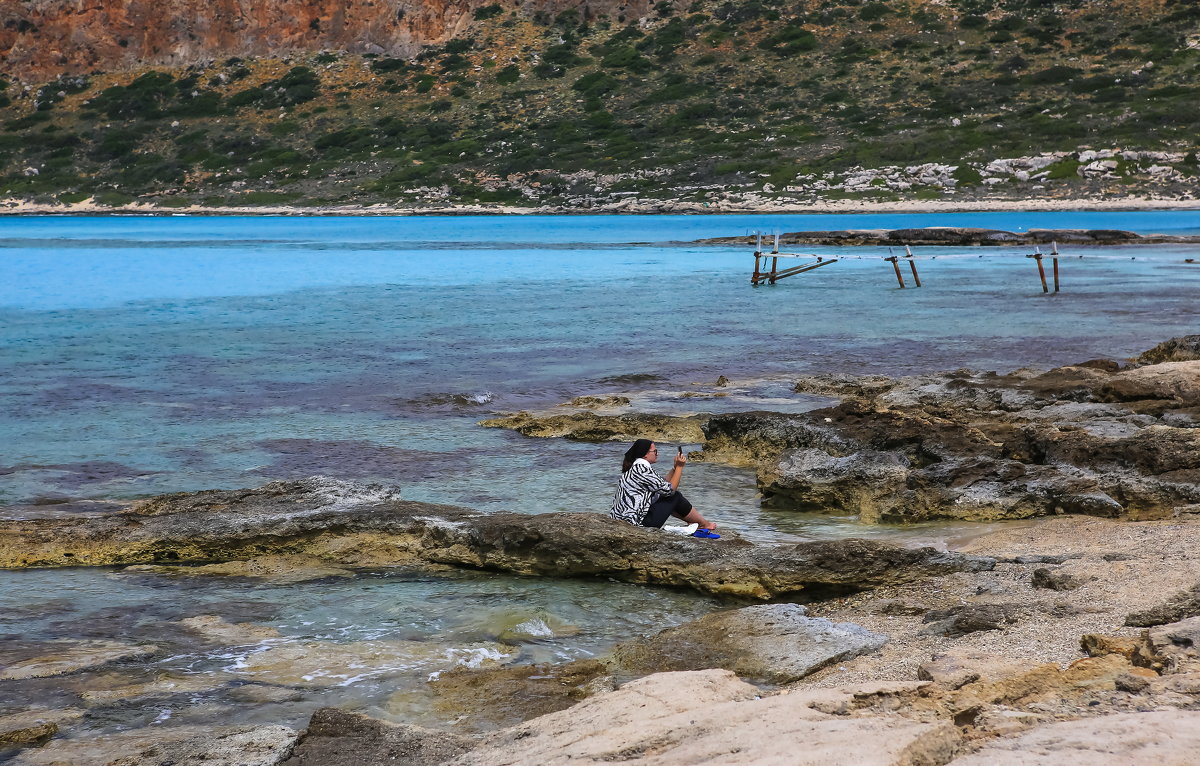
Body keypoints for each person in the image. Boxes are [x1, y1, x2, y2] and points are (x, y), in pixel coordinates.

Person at [609, 438, 717, 534]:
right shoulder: (643, 470)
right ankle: (704, 524)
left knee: (664, 496)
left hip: (626, 521)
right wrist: (680, 467)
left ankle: (694, 522)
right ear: (645, 454)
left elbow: (662, 484)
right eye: (655, 451)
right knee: (675, 496)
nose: (657, 454)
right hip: (638, 524)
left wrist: (674, 469)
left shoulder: (636, 469)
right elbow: (670, 490)